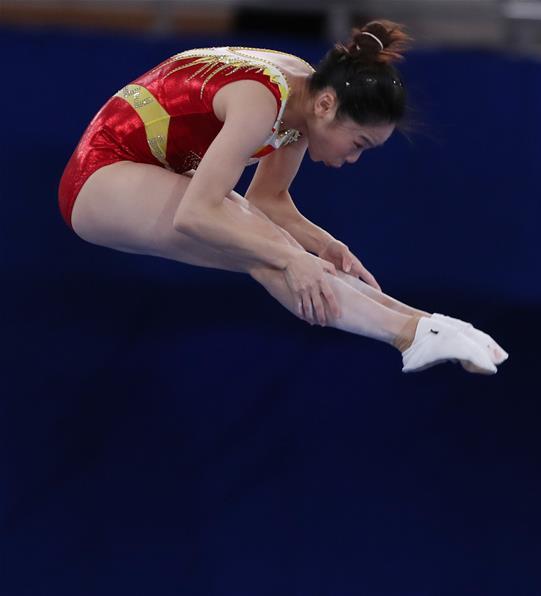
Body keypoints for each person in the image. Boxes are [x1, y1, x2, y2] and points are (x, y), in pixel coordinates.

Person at [57, 20, 508, 374]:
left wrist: (324, 243)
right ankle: (409, 334)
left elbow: (268, 200)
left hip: (146, 169)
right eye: (358, 144)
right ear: (327, 106)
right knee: (270, 254)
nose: (353, 159)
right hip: (99, 175)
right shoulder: (261, 101)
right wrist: (292, 257)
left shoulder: (306, 97)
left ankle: (427, 323)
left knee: (278, 248)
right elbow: (196, 214)